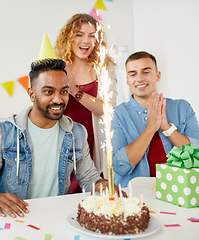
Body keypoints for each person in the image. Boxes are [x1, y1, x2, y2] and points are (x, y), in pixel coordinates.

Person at [0, 59, 121, 218]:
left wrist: (102, 185)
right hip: (16, 219)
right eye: (48, 92)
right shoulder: (4, 133)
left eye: (64, 91)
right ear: (32, 94)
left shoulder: (76, 133)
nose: (58, 100)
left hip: (55, 217)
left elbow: (89, 179)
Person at [111, 51, 199, 187]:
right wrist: (150, 129)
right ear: (127, 80)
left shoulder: (182, 108)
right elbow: (119, 166)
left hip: (179, 192)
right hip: (136, 197)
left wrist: (167, 128)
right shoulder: (117, 114)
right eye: (133, 74)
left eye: (146, 72)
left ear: (158, 75)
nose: (139, 78)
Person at [55, 13, 117, 193]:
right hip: (64, 141)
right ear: (69, 38)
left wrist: (75, 90)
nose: (86, 41)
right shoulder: (57, 67)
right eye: (80, 34)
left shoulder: (104, 68)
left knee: (95, 197)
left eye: (92, 36)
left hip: (94, 141)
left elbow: (107, 109)